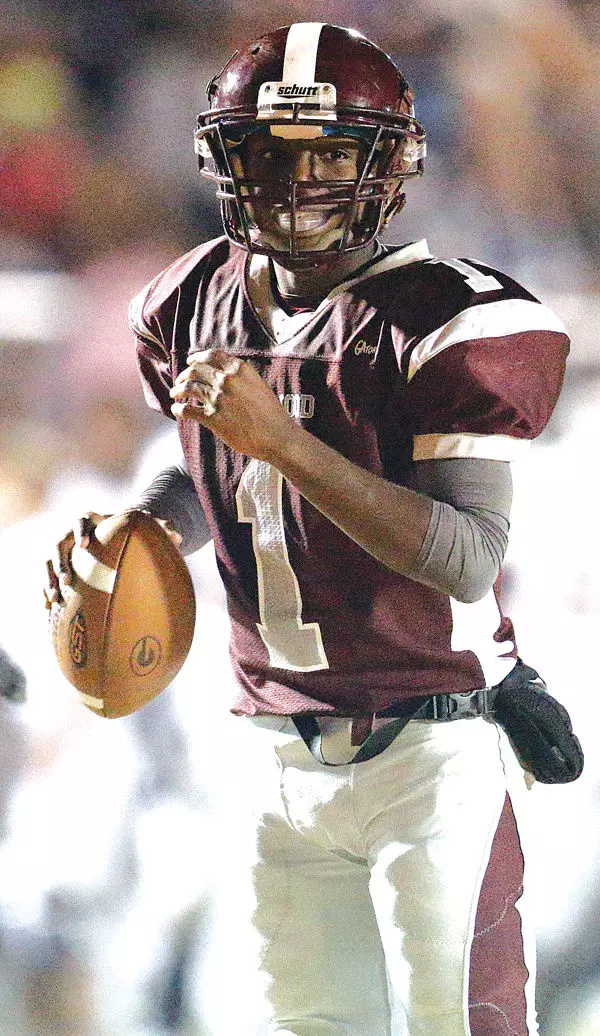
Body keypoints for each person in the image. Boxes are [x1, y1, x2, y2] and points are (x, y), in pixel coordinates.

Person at [46, 22, 570, 1036]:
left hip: (430, 743)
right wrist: (138, 531)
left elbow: (466, 556)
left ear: (390, 164)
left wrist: (283, 442)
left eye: (332, 153)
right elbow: (215, 471)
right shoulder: (190, 298)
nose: (300, 181)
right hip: (274, 747)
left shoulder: (448, 317)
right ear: (225, 158)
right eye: (271, 151)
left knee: (461, 1023)